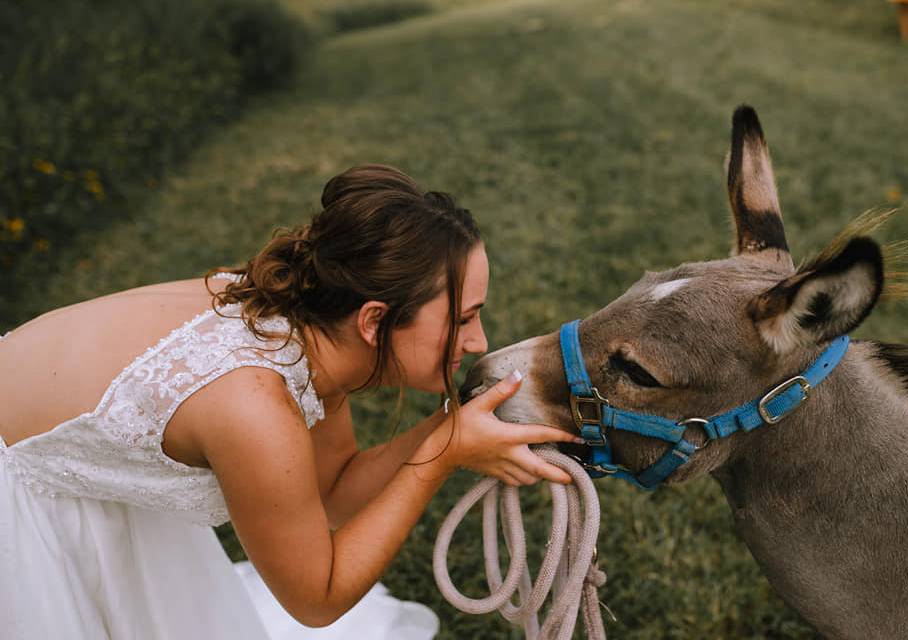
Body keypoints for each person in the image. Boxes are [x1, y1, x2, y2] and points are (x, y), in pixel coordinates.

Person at [0, 164, 581, 639]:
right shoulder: (253, 405)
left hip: (65, 474)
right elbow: (316, 600)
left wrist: (444, 431)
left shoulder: (303, 322)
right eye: (463, 319)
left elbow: (333, 491)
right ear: (375, 321)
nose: (479, 342)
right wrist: (440, 458)